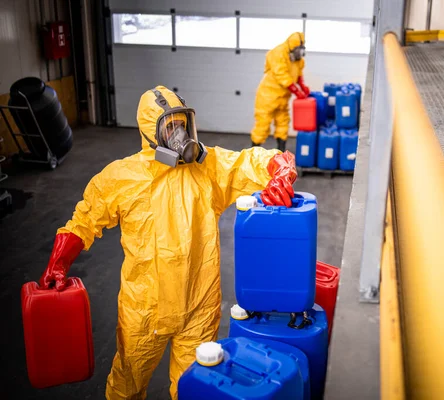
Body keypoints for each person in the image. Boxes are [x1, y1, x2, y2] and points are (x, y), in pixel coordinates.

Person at [38, 86, 297, 399]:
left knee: (193, 386)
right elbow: (84, 220)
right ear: (151, 133)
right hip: (145, 311)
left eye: (182, 124)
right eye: (169, 127)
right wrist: (59, 262)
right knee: (127, 385)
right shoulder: (122, 178)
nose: (179, 135)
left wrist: (280, 168)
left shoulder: (208, 169)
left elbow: (248, 162)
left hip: (198, 305)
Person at [250, 32, 310, 152]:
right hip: (268, 96)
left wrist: (302, 85)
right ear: (293, 48)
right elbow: (281, 74)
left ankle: (281, 154)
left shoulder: (297, 60)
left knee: (283, 124)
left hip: (283, 97)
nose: (301, 54)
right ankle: (253, 155)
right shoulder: (278, 53)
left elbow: (298, 73)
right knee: (262, 126)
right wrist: (296, 91)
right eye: (299, 50)